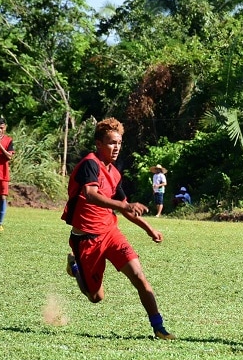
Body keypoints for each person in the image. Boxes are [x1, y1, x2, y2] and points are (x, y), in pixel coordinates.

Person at [61, 117, 175, 340]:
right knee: (96, 297)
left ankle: (159, 328)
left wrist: (149, 229)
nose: (116, 147)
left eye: (119, 143)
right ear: (99, 144)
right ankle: (75, 266)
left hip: (110, 233)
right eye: (112, 142)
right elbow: (90, 195)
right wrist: (124, 206)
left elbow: (126, 208)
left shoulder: (114, 173)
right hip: (87, 238)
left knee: (139, 276)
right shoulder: (90, 164)